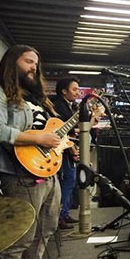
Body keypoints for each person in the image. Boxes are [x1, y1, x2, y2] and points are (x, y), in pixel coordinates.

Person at [0, 45, 62, 259]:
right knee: (21, 236)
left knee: (45, 230)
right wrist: (37, 140)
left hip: (47, 172)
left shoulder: (36, 97)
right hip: (18, 176)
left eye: (36, 64)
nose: (34, 67)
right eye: (29, 61)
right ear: (12, 63)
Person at [49, 77, 81, 230]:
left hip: (66, 149)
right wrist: (72, 149)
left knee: (70, 181)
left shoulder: (66, 106)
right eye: (74, 89)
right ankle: (61, 216)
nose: (77, 92)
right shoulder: (60, 107)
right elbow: (63, 132)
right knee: (67, 182)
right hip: (63, 151)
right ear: (63, 91)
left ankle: (65, 213)